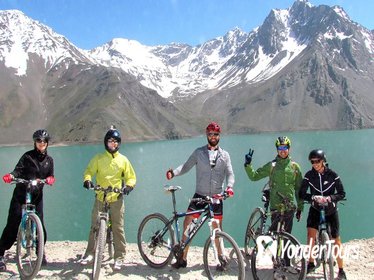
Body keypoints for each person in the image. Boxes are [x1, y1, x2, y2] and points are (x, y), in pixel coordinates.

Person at [166, 121, 235, 269]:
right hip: (199, 196)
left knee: (217, 230)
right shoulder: (199, 152)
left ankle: (221, 259)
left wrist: (229, 187)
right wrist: (174, 173)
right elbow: (186, 166)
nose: (213, 136)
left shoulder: (225, 155)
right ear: (207, 135)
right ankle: (182, 258)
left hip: (216, 198)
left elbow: (230, 174)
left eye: (216, 134)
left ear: (219, 136)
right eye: (210, 134)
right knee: (188, 226)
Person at [79, 126, 136, 271]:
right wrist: (87, 180)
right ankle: (90, 253)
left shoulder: (123, 160)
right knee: (94, 226)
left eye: (116, 141)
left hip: (116, 198)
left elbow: (131, 177)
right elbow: (88, 171)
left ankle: (119, 257)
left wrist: (129, 186)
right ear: (106, 142)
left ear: (119, 143)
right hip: (100, 196)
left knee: (118, 228)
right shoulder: (98, 158)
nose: (113, 144)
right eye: (110, 141)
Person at [0, 129, 55, 271]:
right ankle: (1, 253)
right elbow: (18, 170)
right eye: (39, 141)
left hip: (37, 196)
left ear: (47, 143)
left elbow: (51, 175)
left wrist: (50, 179)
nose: (41, 143)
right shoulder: (27, 157)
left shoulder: (49, 161)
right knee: (14, 222)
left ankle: (40, 252)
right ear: (35, 142)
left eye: (44, 141)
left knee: (40, 225)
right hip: (21, 194)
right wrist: (11, 176)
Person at [299, 149, 347, 279]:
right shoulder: (309, 175)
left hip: (331, 210)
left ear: (323, 161)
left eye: (317, 161)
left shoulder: (332, 175)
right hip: (315, 209)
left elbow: (342, 193)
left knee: (336, 240)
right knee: (310, 235)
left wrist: (330, 198)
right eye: (312, 162)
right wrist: (313, 197)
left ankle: (341, 270)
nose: (315, 164)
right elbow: (302, 193)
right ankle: (310, 262)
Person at [244, 136, 303, 234]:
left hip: (289, 207)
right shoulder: (272, 166)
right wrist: (248, 165)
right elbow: (254, 176)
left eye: (285, 148)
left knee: (287, 235)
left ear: (289, 148)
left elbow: (298, 189)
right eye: (280, 148)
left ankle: (286, 250)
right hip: (275, 206)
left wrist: (300, 208)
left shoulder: (295, 167)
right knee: (274, 235)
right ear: (277, 150)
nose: (282, 151)